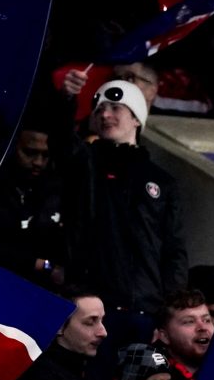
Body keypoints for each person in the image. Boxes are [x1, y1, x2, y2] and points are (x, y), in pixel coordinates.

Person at [63, 80, 186, 326]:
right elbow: (62, 142)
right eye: (99, 110)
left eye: (116, 108)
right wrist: (67, 100)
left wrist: (170, 315)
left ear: (137, 119)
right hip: (90, 308)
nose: (105, 114)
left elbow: (174, 251)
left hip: (145, 311)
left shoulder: (163, 182)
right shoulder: (84, 165)